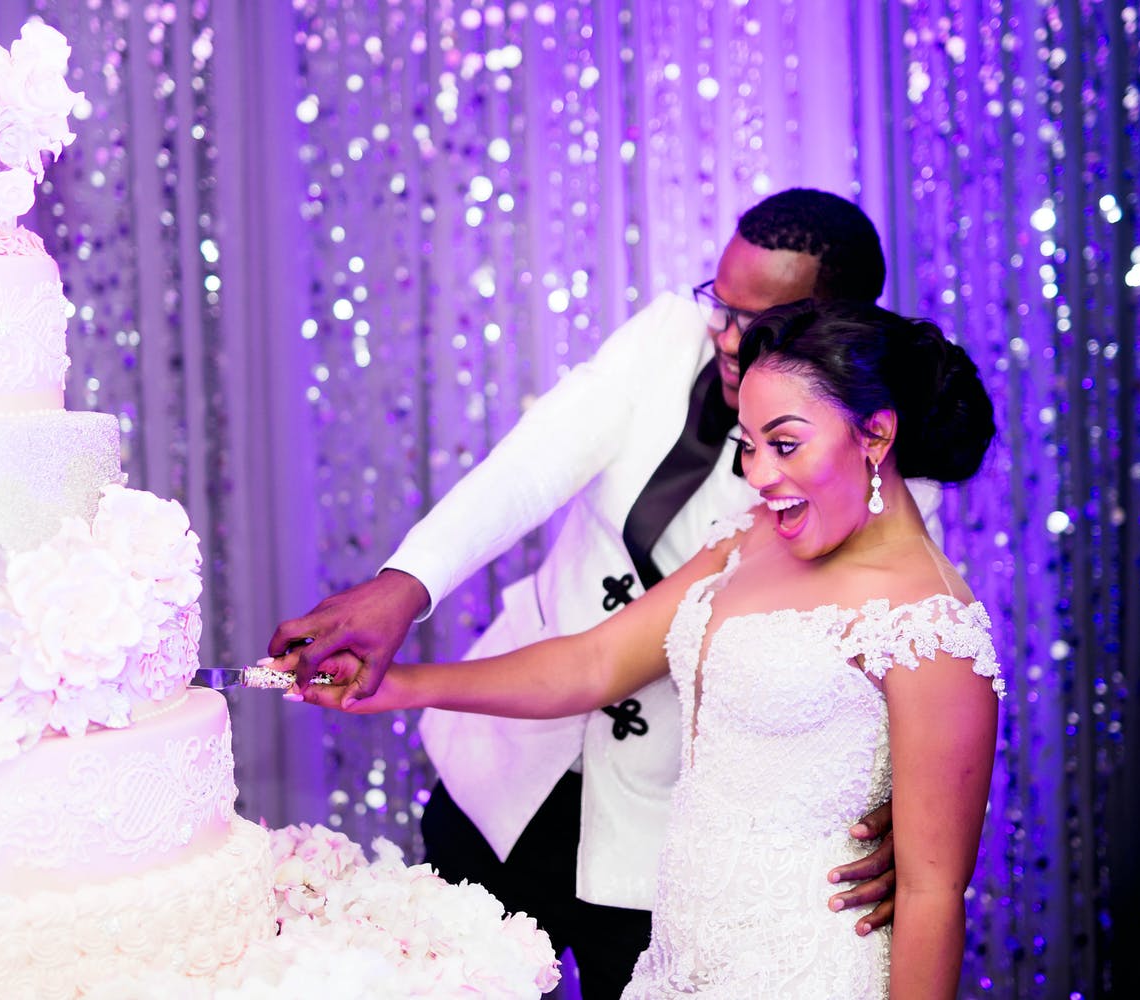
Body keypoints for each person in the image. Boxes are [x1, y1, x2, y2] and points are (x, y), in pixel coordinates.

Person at [269, 190, 926, 995]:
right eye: (720, 303)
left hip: (669, 838)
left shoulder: (867, 466)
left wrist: (902, 802)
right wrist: (406, 584)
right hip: (509, 778)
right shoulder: (665, 336)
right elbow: (533, 463)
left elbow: (904, 643)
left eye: (756, 322)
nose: (723, 336)